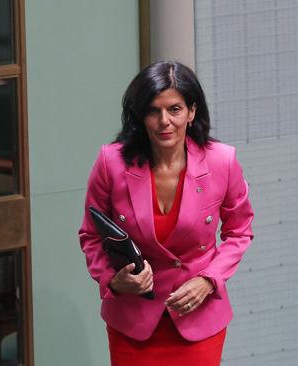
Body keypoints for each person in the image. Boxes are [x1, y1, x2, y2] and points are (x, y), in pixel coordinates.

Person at [78, 61, 254, 365]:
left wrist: (209, 280)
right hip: (133, 320)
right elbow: (91, 235)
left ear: (191, 111)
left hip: (197, 318)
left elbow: (240, 231)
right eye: (153, 111)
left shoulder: (222, 162)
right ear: (140, 116)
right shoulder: (111, 163)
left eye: (174, 109)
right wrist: (113, 279)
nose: (164, 121)